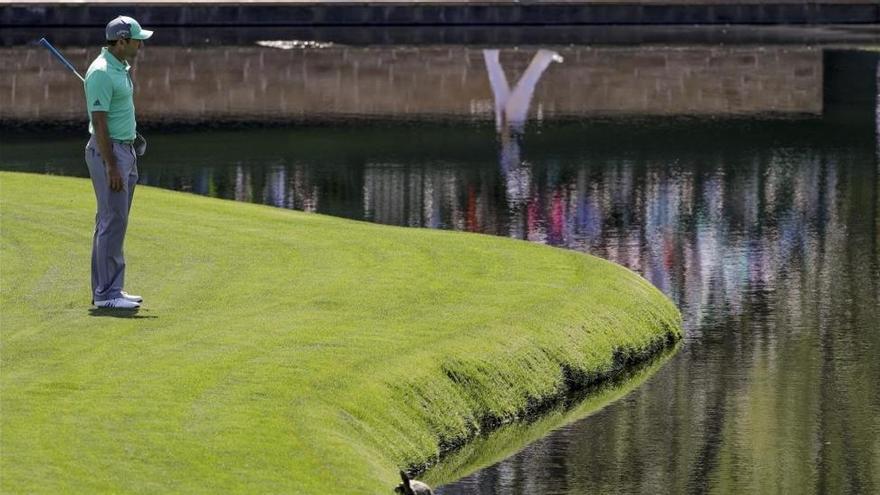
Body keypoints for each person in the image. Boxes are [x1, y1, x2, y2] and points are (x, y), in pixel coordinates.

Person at [84, 15, 153, 309]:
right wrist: (112, 165)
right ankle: (106, 294)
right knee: (112, 221)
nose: (141, 44)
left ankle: (112, 288)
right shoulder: (101, 72)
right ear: (122, 41)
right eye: (137, 39)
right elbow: (99, 124)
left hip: (124, 150)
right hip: (109, 153)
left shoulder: (118, 68)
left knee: (113, 220)